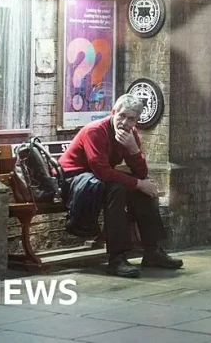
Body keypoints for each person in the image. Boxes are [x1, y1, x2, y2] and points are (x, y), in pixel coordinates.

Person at [58, 94, 183, 278]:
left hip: (96, 179)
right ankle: (117, 259)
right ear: (113, 112)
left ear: (136, 121)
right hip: (73, 180)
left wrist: (134, 150)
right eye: (121, 116)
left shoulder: (130, 135)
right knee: (119, 189)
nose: (124, 122)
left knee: (146, 189)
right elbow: (102, 171)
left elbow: (140, 174)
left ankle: (152, 251)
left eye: (130, 119)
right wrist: (138, 184)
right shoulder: (95, 131)